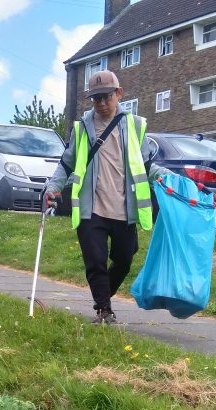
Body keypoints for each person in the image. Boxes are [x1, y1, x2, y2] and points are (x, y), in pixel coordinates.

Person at [45, 70, 166, 324]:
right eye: (95, 98)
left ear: (118, 94)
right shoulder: (81, 129)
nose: (101, 103)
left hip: (125, 208)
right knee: (96, 261)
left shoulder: (135, 126)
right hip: (91, 208)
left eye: (106, 97)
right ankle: (104, 310)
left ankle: (102, 299)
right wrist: (52, 189)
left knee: (124, 258)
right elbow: (66, 165)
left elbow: (146, 165)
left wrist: (169, 180)